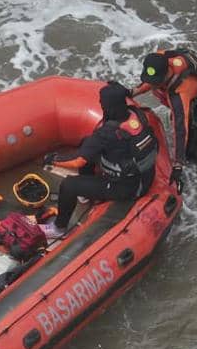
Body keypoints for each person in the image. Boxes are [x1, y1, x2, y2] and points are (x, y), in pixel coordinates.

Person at [41, 82, 158, 238]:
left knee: (69, 185)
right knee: (86, 143)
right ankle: (87, 193)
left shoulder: (107, 133)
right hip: (145, 176)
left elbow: (79, 162)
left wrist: (53, 160)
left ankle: (58, 228)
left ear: (106, 107)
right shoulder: (137, 116)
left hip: (126, 188)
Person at [131, 47, 197, 188]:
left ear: (167, 73)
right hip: (190, 95)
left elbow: (180, 128)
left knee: (192, 144)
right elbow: (150, 80)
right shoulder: (159, 59)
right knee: (181, 118)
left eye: (156, 82)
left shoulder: (180, 92)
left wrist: (178, 164)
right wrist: (132, 92)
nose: (153, 85)